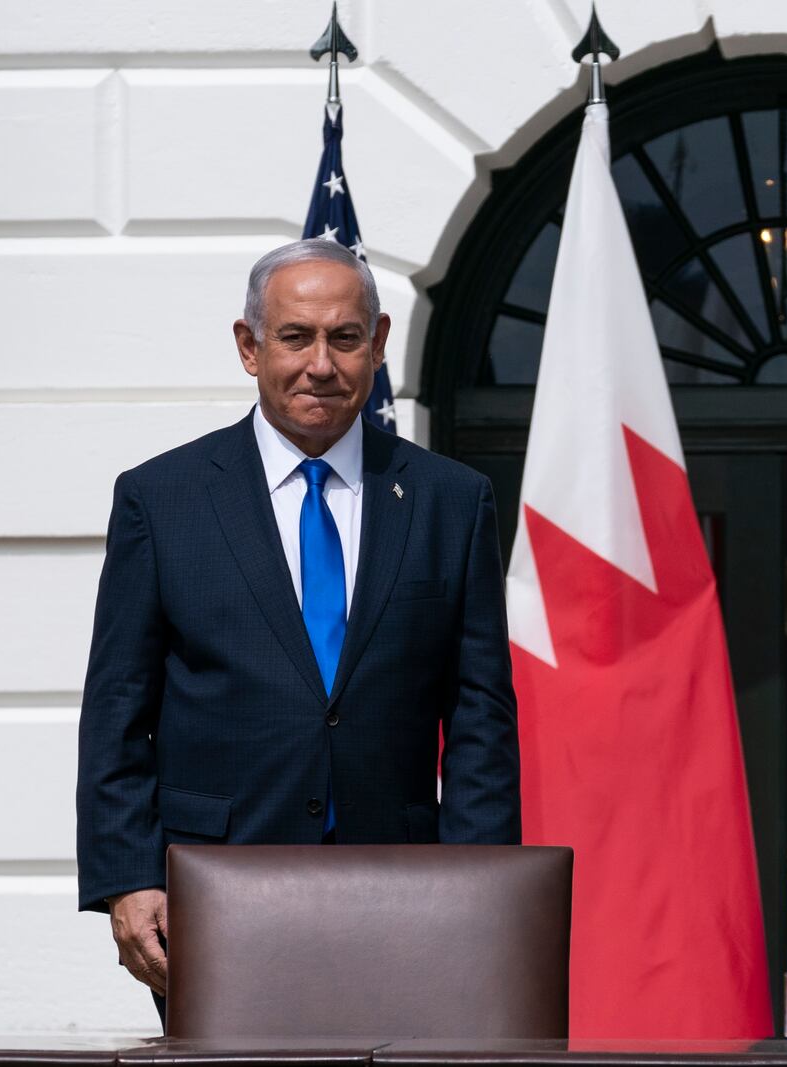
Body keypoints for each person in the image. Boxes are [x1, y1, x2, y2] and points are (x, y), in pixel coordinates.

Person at [76, 239, 521, 1005]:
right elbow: (118, 707)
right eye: (295, 336)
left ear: (377, 345)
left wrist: (475, 882)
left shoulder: (451, 500)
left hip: (405, 894)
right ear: (250, 347)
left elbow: (480, 711)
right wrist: (129, 876)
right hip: (212, 891)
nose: (322, 363)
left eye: (345, 338)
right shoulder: (163, 498)